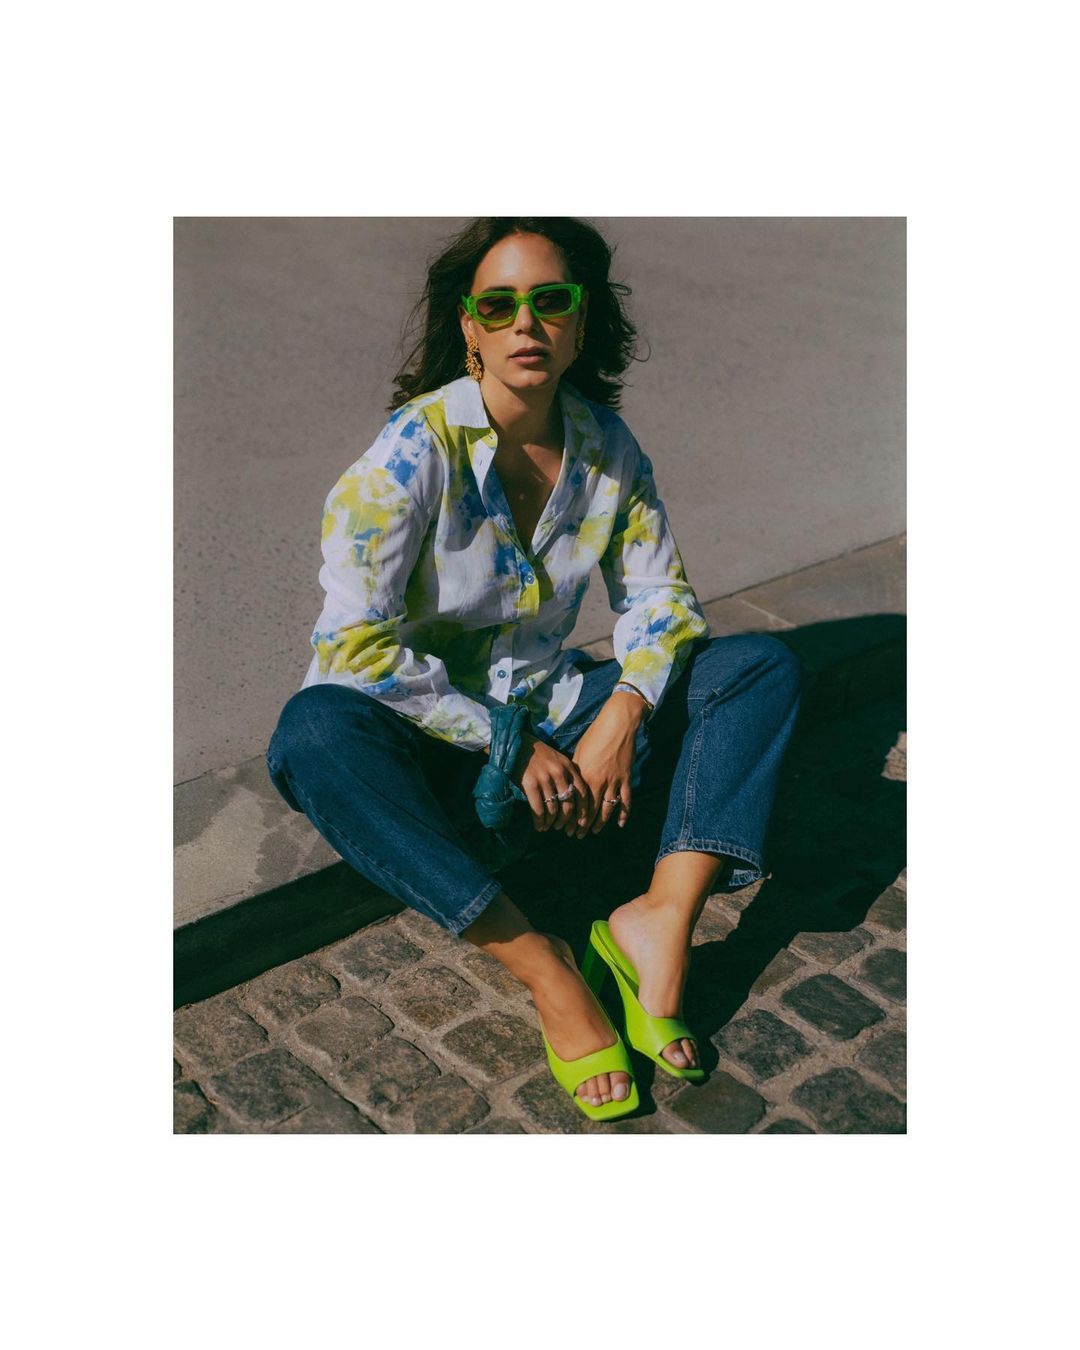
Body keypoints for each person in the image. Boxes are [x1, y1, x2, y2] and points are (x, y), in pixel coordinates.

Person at [266, 217, 803, 1122]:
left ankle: (657, 921)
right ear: (469, 326)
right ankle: (545, 966)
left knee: (756, 669)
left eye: (551, 301)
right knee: (313, 732)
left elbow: (662, 600)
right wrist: (504, 745)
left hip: (559, 720)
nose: (526, 323)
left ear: (581, 324)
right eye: (499, 305)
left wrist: (622, 712)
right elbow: (352, 646)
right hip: (439, 747)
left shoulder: (605, 447)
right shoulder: (409, 455)